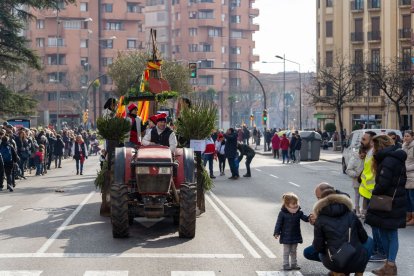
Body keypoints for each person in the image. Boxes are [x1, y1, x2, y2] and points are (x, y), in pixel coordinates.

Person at [365, 135, 407, 275]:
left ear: (379, 146)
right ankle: (389, 265)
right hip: (393, 200)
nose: (373, 150)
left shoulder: (389, 160)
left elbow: (383, 183)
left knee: (389, 233)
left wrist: (373, 194)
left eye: (374, 147)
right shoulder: (393, 157)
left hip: (388, 201)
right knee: (386, 231)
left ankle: (390, 264)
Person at [312, 188, 372, 276]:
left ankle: (336, 272)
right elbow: (364, 238)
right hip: (356, 260)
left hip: (336, 262)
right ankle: (359, 271)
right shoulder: (351, 214)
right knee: (369, 241)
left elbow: (318, 247)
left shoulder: (320, 219)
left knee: (320, 253)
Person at [359, 131, 386, 262]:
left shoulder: (375, 154)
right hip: (369, 193)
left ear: (371, 141)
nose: (361, 141)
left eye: (364, 139)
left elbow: (374, 174)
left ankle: (380, 251)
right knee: (373, 224)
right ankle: (377, 250)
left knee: (376, 224)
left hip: (373, 193)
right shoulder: (369, 153)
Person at [273, 192, 309, 271]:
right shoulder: (282, 213)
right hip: (286, 236)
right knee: (286, 251)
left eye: (296, 203)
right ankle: (285, 264)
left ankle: (294, 264)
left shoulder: (299, 212)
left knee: (293, 251)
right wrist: (276, 232)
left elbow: (305, 218)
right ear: (287, 204)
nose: (296, 205)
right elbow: (278, 223)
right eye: (293, 203)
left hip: (295, 235)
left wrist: (310, 218)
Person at [346, 147, 366, 217]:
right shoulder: (354, 158)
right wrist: (356, 174)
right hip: (357, 180)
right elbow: (348, 170)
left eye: (364, 156)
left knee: (365, 196)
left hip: (365, 180)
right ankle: (357, 210)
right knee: (357, 196)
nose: (362, 157)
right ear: (359, 153)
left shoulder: (367, 158)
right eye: (361, 156)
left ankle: (363, 211)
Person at [402, 130, 414, 225]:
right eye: (405, 136)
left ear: (412, 137)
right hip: (405, 176)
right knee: (407, 198)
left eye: (408, 136)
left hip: (412, 175)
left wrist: (406, 168)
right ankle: (408, 216)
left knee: (412, 198)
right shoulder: (404, 146)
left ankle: (413, 218)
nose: (406, 138)